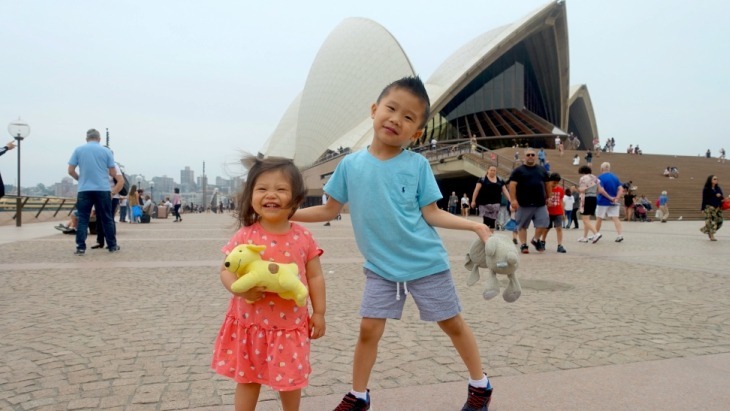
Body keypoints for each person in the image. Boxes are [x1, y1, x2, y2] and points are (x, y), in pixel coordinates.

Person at [291, 76, 493, 411]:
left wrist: (474, 226)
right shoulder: (351, 164)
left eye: (409, 117)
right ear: (374, 110)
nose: (397, 119)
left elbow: (432, 213)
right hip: (381, 268)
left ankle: (480, 385)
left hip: (425, 262)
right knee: (368, 329)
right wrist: (289, 215)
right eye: (391, 108)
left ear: (416, 134)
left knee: (452, 323)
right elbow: (330, 208)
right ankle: (358, 396)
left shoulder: (416, 165)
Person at [211, 155, 326, 411]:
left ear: (296, 198)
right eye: (262, 188)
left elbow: (315, 276)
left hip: (289, 325)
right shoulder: (245, 235)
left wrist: (319, 312)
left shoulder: (304, 237)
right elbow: (226, 271)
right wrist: (239, 290)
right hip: (251, 323)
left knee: (290, 382)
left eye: (281, 189)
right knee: (248, 379)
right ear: (250, 195)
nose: (270, 195)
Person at [67, 129, 123, 255]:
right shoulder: (106, 151)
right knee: (107, 218)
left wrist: (79, 178)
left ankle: (80, 247)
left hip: (84, 189)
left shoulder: (78, 150)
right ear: (99, 139)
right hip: (103, 189)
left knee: (82, 219)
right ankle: (112, 246)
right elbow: (113, 173)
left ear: (86, 138)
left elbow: (70, 170)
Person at [509, 147, 550, 254]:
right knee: (522, 225)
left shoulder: (542, 169)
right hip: (523, 203)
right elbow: (512, 185)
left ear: (536, 156)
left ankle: (535, 239)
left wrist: (549, 197)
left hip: (540, 203)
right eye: (528, 155)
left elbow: (547, 184)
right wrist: (513, 200)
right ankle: (523, 244)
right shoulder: (518, 171)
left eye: (532, 155)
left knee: (544, 223)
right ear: (524, 157)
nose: (530, 156)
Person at [91, 160, 123, 250]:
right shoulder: (98, 165)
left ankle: (111, 242)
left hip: (112, 196)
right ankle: (100, 241)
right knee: (99, 219)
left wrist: (112, 194)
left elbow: (120, 181)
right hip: (100, 195)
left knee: (109, 219)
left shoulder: (114, 165)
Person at [471, 165, 511, 230]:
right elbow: (476, 190)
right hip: (484, 204)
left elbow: (505, 191)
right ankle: (485, 236)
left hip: (496, 204)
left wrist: (510, 200)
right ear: (488, 170)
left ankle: (490, 237)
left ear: (496, 171)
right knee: (486, 221)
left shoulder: (500, 180)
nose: (493, 172)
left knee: (492, 221)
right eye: (491, 170)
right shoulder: (482, 179)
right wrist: (473, 201)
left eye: (494, 170)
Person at [594, 162, 624, 243]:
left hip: (603, 201)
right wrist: (616, 198)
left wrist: (609, 197)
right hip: (614, 202)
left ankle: (596, 234)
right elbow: (621, 189)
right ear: (609, 168)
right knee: (615, 218)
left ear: (601, 169)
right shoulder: (615, 177)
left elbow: (601, 190)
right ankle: (619, 235)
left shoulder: (600, 177)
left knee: (599, 218)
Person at [540, 172, 566, 253]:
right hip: (548, 212)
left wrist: (563, 212)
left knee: (559, 228)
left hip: (558, 212)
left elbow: (561, 201)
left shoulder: (560, 190)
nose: (555, 184)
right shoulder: (545, 189)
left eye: (557, 183)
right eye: (553, 182)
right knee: (546, 228)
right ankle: (543, 241)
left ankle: (560, 245)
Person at [576, 165, 601, 242]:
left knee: (585, 219)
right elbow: (599, 190)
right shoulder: (595, 178)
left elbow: (582, 190)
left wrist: (575, 189)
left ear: (583, 172)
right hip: (594, 198)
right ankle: (585, 237)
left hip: (586, 198)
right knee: (587, 219)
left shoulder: (583, 178)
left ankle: (596, 233)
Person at [700, 175, 724, 241]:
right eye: (714, 179)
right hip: (709, 207)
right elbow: (704, 199)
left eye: (716, 179)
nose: (716, 180)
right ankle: (711, 235)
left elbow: (722, 197)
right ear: (710, 180)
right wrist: (702, 208)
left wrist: (720, 196)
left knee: (720, 221)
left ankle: (707, 230)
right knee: (711, 222)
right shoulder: (706, 189)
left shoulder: (718, 188)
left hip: (717, 208)